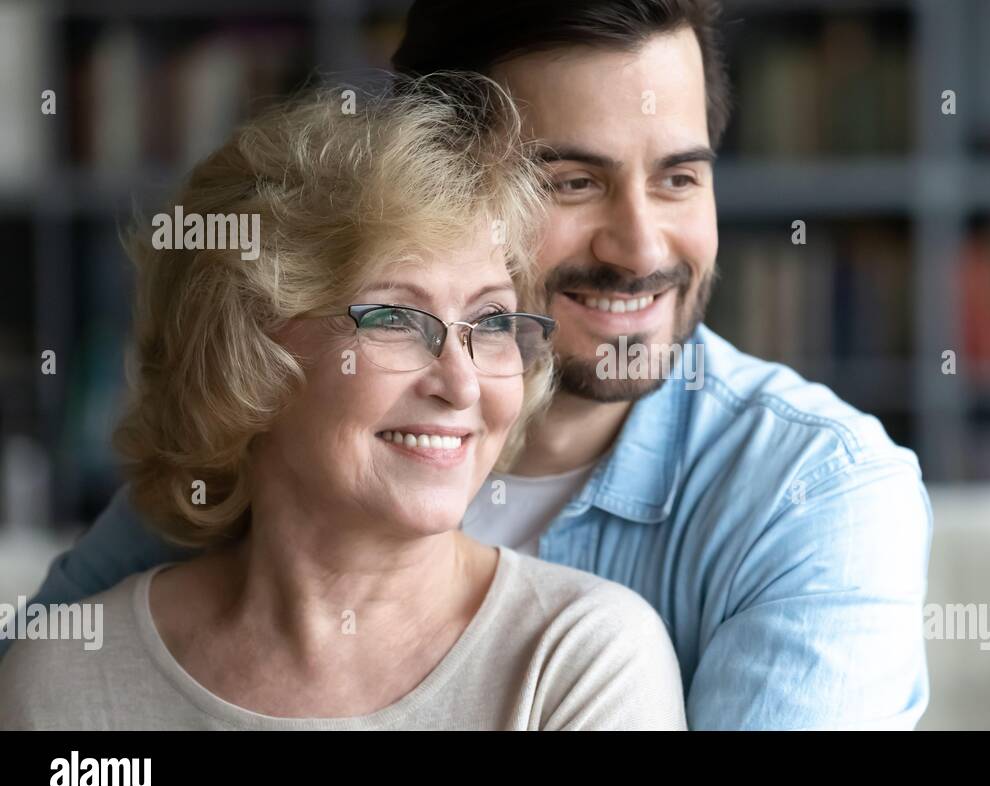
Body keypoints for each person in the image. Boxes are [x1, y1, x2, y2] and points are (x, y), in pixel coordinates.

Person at [6, 0, 933, 730]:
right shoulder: (270, 430)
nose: (639, 246)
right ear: (434, 178)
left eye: (679, 177)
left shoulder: (815, 492)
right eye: (570, 181)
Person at [0, 77, 687, 730]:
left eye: (492, 323)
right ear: (247, 342)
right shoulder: (67, 677)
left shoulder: (581, 658)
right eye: (394, 318)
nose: (463, 383)